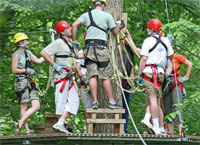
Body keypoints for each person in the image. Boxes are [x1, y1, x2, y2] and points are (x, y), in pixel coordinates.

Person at [72, 0, 124, 109]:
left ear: (94, 4)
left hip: (88, 48)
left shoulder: (87, 15)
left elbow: (74, 25)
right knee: (105, 76)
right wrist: (120, 25)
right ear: (104, 4)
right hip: (101, 47)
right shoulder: (107, 16)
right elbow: (114, 33)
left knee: (92, 75)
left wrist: (74, 41)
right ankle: (111, 101)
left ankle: (95, 101)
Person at [40, 21, 79, 133]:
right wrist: (54, 65)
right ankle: (60, 125)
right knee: (61, 102)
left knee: (74, 101)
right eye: (68, 28)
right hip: (62, 76)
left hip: (70, 77)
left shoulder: (70, 43)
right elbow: (43, 52)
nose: (70, 29)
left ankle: (60, 123)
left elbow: (77, 56)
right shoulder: (58, 42)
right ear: (62, 32)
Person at [137, 19, 174, 135]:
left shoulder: (148, 41)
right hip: (160, 73)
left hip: (149, 72)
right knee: (157, 101)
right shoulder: (166, 41)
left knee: (152, 100)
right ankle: (160, 127)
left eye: (148, 28)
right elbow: (171, 56)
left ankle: (157, 127)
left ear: (151, 29)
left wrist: (139, 74)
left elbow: (143, 58)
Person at [12, 33, 44, 135]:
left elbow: (39, 61)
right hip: (21, 82)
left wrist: (50, 52)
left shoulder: (28, 53)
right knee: (24, 106)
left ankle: (19, 123)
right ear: (21, 42)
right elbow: (14, 70)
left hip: (30, 82)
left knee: (36, 105)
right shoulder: (16, 54)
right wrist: (26, 70)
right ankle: (27, 131)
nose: (28, 42)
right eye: (26, 41)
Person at [163, 53, 192, 135]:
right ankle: (170, 131)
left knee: (177, 105)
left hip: (176, 82)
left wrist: (186, 77)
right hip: (165, 83)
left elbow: (190, 64)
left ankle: (180, 130)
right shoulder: (161, 56)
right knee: (167, 106)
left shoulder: (177, 56)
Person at [75, 48, 93, 120]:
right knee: (88, 107)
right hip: (84, 83)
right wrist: (84, 78)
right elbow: (77, 68)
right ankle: (89, 129)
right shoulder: (81, 52)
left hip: (97, 81)